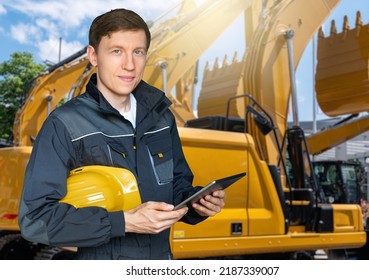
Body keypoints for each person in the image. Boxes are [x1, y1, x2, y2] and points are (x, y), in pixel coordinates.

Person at [18, 8, 226, 260]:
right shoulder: (65, 124)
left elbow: (176, 188)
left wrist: (197, 205)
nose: (129, 65)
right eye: (117, 51)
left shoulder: (161, 117)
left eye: (138, 52)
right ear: (93, 56)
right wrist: (125, 222)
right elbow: (35, 220)